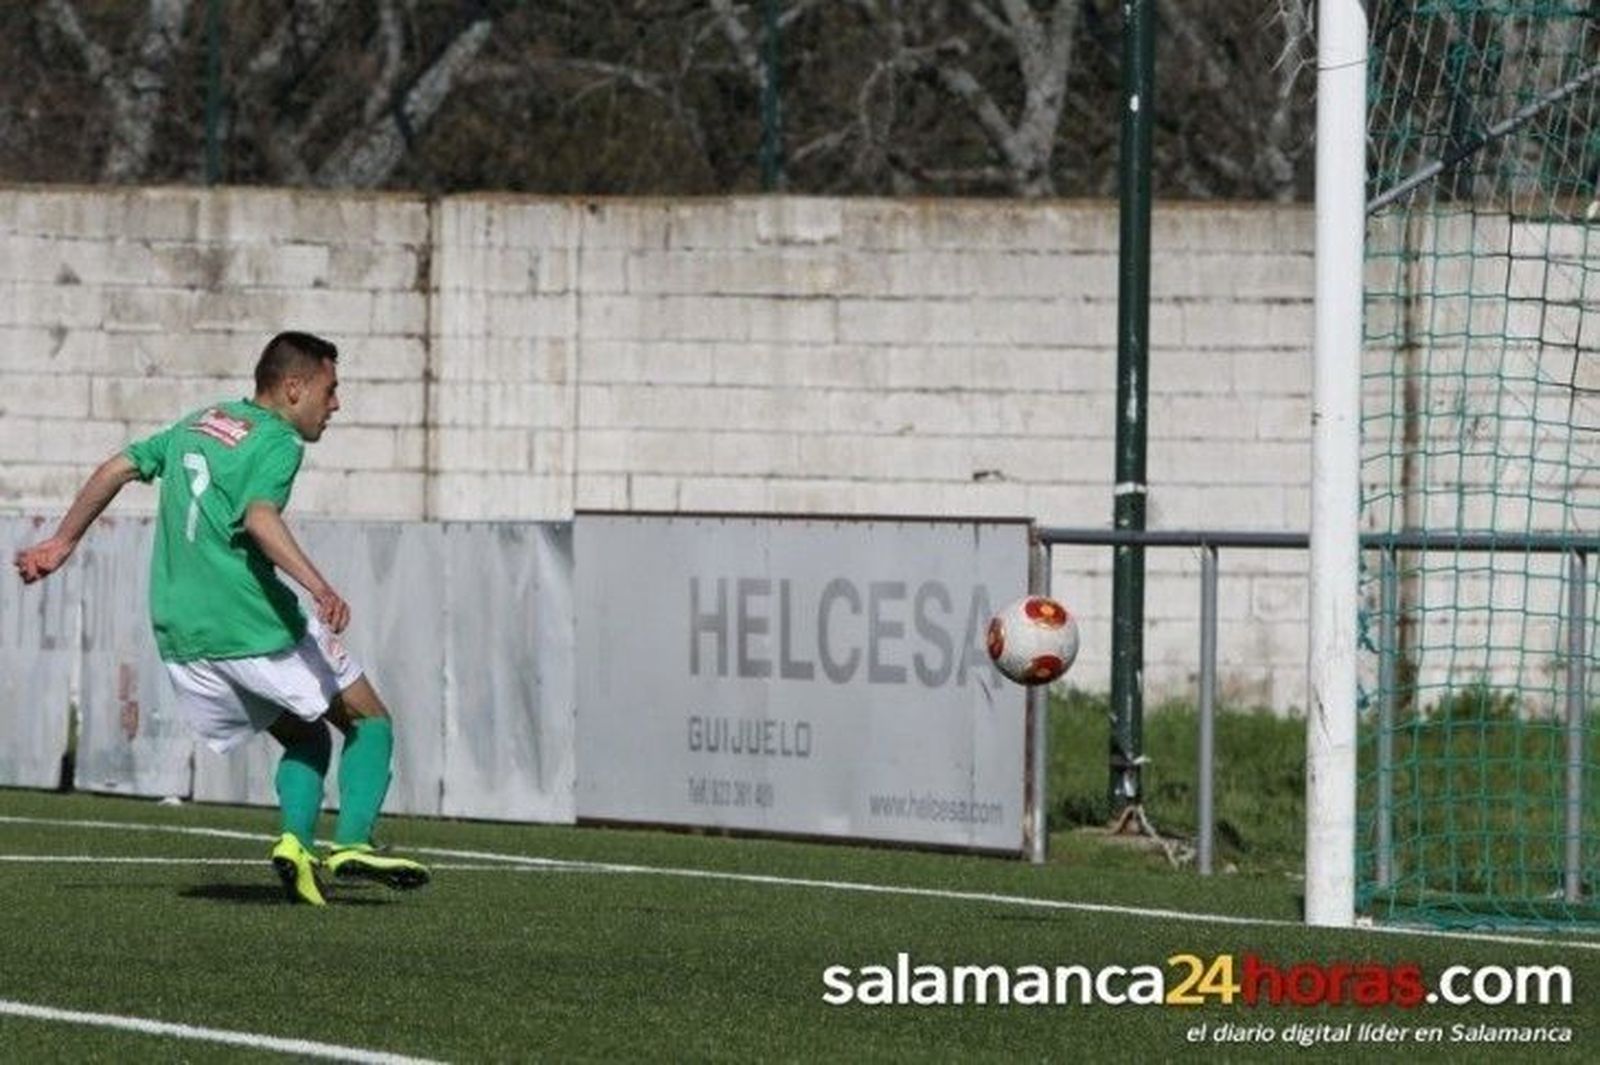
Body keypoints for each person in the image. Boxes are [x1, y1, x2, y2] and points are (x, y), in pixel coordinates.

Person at [14, 331, 429, 906]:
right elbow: (260, 518)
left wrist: (62, 541)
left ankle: (294, 845)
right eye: (331, 390)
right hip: (253, 622)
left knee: (306, 737)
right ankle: (353, 843)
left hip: (184, 634)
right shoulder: (280, 441)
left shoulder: (198, 422)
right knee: (370, 722)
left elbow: (118, 467)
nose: (336, 404)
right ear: (293, 387)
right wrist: (319, 585)